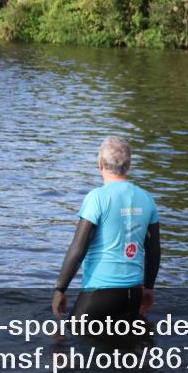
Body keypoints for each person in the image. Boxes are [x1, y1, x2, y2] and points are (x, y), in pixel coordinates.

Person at [52, 136, 161, 321]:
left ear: (100, 163)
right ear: (129, 164)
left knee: (64, 338)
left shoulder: (97, 198)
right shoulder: (147, 199)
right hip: (133, 294)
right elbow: (154, 250)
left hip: (99, 294)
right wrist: (148, 288)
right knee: (124, 345)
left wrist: (60, 290)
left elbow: (78, 249)